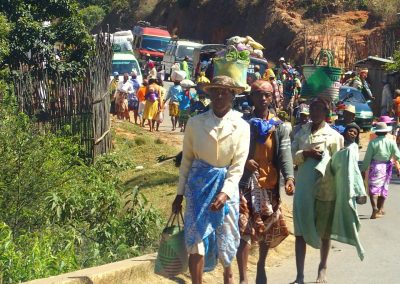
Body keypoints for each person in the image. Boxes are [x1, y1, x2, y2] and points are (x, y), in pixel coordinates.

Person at [171, 75, 250, 284]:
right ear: (210, 94)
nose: (220, 95)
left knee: (227, 237)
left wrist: (225, 193)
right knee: (195, 239)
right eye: (216, 91)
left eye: (225, 91)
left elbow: (238, 166)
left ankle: (228, 273)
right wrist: (179, 193)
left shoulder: (241, 126)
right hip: (197, 187)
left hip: (226, 188)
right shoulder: (196, 123)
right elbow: (186, 160)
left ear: (233, 95)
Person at [236, 80, 295, 284]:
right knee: (244, 229)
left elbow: (285, 155)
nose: (263, 99)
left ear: (272, 98)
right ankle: (244, 278)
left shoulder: (279, 127)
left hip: (268, 183)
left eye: (267, 95)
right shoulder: (243, 124)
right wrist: (244, 161)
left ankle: (261, 265)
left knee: (265, 230)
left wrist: (288, 178)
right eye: (258, 94)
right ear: (251, 97)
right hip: (246, 185)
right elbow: (234, 152)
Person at [291, 97, 343, 284]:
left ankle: (322, 268)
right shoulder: (301, 132)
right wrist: (305, 153)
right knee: (300, 231)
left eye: (320, 109)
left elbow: (339, 166)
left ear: (327, 112)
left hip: (325, 187)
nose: (315, 112)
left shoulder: (334, 136)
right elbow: (292, 157)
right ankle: (300, 275)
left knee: (325, 230)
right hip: (303, 186)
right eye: (313, 108)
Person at [361, 122, 400, 219]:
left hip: (376, 167)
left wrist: (363, 169)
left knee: (373, 189)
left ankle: (374, 208)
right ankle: (379, 209)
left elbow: (367, 158)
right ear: (386, 132)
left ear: (377, 132)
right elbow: (398, 156)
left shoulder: (373, 143)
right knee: (384, 188)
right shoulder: (391, 142)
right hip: (387, 167)